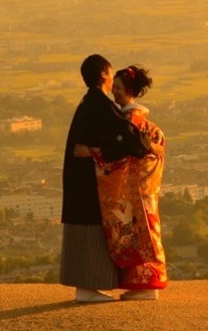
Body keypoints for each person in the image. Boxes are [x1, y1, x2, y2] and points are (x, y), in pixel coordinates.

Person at [59, 54, 152, 303]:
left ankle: (86, 288)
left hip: (79, 182)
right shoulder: (100, 105)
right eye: (111, 74)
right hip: (90, 184)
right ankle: (88, 288)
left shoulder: (88, 103)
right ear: (104, 75)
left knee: (84, 233)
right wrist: (143, 141)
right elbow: (134, 141)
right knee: (92, 232)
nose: (113, 81)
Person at [80, 65, 168, 300]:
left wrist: (91, 152)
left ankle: (147, 287)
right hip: (142, 191)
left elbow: (120, 153)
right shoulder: (142, 122)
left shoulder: (130, 121)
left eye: (118, 88)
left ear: (130, 91)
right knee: (146, 233)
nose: (114, 93)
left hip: (134, 191)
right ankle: (145, 286)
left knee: (139, 235)